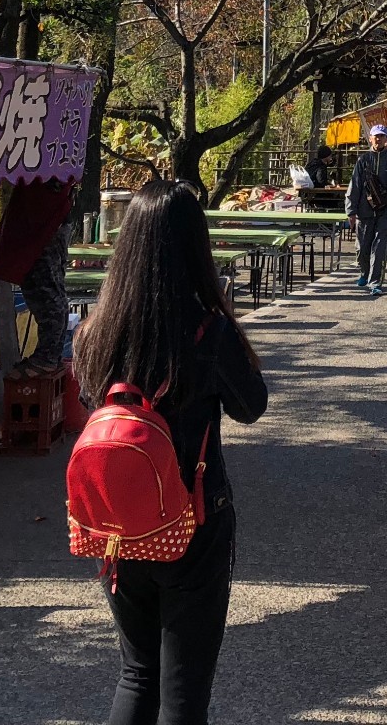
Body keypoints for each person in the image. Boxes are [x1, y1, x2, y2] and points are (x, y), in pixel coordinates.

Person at [72, 179, 269, 725]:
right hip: (194, 522)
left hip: (116, 528)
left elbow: (92, 402)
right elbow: (252, 405)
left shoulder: (95, 332)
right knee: (184, 694)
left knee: (137, 674)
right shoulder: (209, 332)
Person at [345, 123, 387, 295]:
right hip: (364, 212)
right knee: (362, 248)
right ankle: (364, 272)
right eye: (375, 136)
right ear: (370, 138)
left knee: (379, 249)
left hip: (385, 212)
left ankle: (375, 282)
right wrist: (351, 211)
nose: (378, 139)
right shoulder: (362, 161)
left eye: (382, 136)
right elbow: (354, 186)